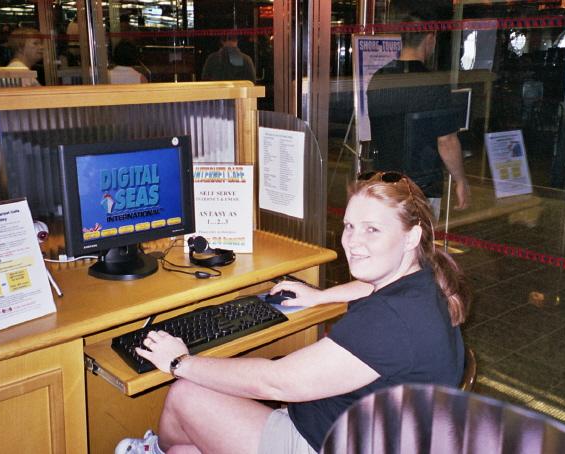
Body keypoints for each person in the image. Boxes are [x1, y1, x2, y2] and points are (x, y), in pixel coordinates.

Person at [114, 170, 470, 454]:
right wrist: (320, 297)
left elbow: (276, 381)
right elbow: (370, 287)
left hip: (320, 441)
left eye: (372, 229)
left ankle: (152, 450)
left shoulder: (390, 320)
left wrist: (180, 362)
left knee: (185, 395)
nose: (353, 241)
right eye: (349, 226)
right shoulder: (424, 282)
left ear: (411, 237)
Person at [366, 2, 470, 220]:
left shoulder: (379, 77)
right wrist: (461, 180)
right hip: (422, 186)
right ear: (430, 39)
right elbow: (447, 142)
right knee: (419, 238)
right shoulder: (432, 83)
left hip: (385, 183)